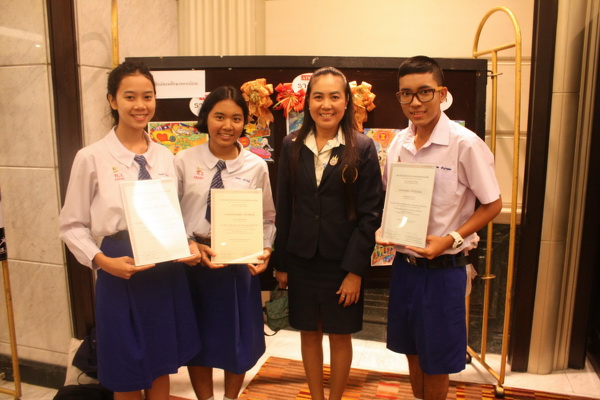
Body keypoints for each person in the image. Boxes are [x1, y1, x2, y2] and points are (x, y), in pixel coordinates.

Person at [59, 61, 201, 400]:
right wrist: (101, 262)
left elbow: (171, 214)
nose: (140, 105)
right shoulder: (91, 157)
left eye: (147, 96)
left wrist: (188, 244)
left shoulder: (165, 156)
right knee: (126, 366)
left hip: (164, 268)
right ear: (113, 100)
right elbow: (71, 224)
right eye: (130, 96)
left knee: (161, 362)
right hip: (119, 265)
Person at [378, 55, 502, 400]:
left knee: (437, 362)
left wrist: (451, 238)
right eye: (406, 94)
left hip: (444, 271)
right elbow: (393, 196)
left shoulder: (465, 144)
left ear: (442, 93)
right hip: (405, 266)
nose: (415, 102)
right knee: (411, 350)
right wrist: (386, 228)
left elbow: (493, 204)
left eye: (424, 92)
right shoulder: (398, 143)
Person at [274, 66, 382, 400]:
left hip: (342, 262)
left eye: (335, 96)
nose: (326, 105)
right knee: (308, 333)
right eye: (318, 96)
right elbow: (284, 207)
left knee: (339, 334)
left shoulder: (362, 147)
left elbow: (370, 216)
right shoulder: (291, 144)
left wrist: (355, 272)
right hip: (301, 259)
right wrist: (282, 264)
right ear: (307, 102)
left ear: (346, 101)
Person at [174, 86, 275, 400]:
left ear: (244, 122)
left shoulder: (256, 166)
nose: (227, 125)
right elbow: (171, 214)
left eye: (236, 118)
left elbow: (267, 216)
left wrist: (266, 248)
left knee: (238, 340)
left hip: (236, 264)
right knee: (198, 341)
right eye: (219, 116)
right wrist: (187, 244)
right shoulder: (183, 161)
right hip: (194, 262)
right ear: (206, 117)